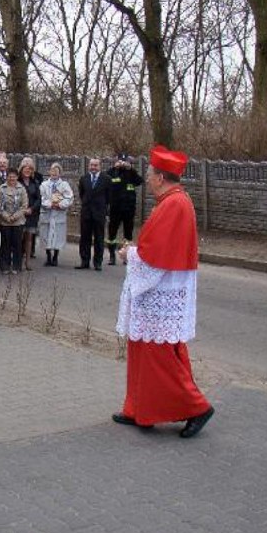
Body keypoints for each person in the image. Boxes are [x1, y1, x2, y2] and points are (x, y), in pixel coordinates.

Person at [113, 144, 214, 439]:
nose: (147, 177)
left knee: (160, 358)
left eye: (150, 173)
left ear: (159, 177)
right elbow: (157, 247)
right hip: (158, 292)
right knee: (145, 352)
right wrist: (136, 250)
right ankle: (140, 410)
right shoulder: (173, 201)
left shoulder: (173, 204)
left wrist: (128, 254)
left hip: (161, 293)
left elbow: (155, 254)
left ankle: (197, 407)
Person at [106, 154, 144, 265]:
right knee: (112, 234)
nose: (122, 163)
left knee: (128, 235)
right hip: (115, 209)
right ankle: (112, 256)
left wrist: (131, 169)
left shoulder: (131, 173)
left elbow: (139, 181)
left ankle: (126, 256)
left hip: (128, 209)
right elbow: (105, 178)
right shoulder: (113, 173)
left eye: (125, 161)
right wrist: (114, 168)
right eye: (120, 161)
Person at [76, 157, 112, 270]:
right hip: (86, 213)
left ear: (100, 166)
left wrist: (103, 209)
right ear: (88, 166)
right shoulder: (84, 178)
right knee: (85, 238)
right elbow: (82, 194)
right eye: (91, 165)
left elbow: (109, 197)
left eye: (95, 165)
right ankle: (84, 261)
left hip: (99, 213)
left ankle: (97, 262)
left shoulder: (106, 179)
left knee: (99, 238)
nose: (93, 167)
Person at [39, 162, 74, 266]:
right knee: (46, 235)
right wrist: (50, 204)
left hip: (59, 214)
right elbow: (41, 197)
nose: (54, 173)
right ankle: (48, 256)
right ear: (49, 172)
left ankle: (55, 257)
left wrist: (60, 205)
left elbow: (69, 197)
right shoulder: (44, 185)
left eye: (56, 171)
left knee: (58, 236)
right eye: (52, 171)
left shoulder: (64, 185)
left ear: (60, 173)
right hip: (47, 213)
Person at [0, 168, 28, 274]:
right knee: (5, 244)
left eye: (14, 176)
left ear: (17, 177)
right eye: (10, 176)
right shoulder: (2, 188)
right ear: (7, 177)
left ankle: (16, 266)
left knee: (17, 244)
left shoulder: (22, 189)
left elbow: (24, 206)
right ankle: (4, 266)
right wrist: (6, 217)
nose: (12, 178)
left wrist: (15, 216)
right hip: (5, 221)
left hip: (18, 221)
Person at [19, 160, 41, 270]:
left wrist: (32, 209)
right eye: (25, 169)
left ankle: (27, 262)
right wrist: (23, 209)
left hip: (32, 214)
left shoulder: (35, 183)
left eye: (30, 169)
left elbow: (38, 199)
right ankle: (17, 260)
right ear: (21, 170)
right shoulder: (17, 182)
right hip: (20, 214)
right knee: (19, 238)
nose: (27, 171)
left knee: (29, 239)